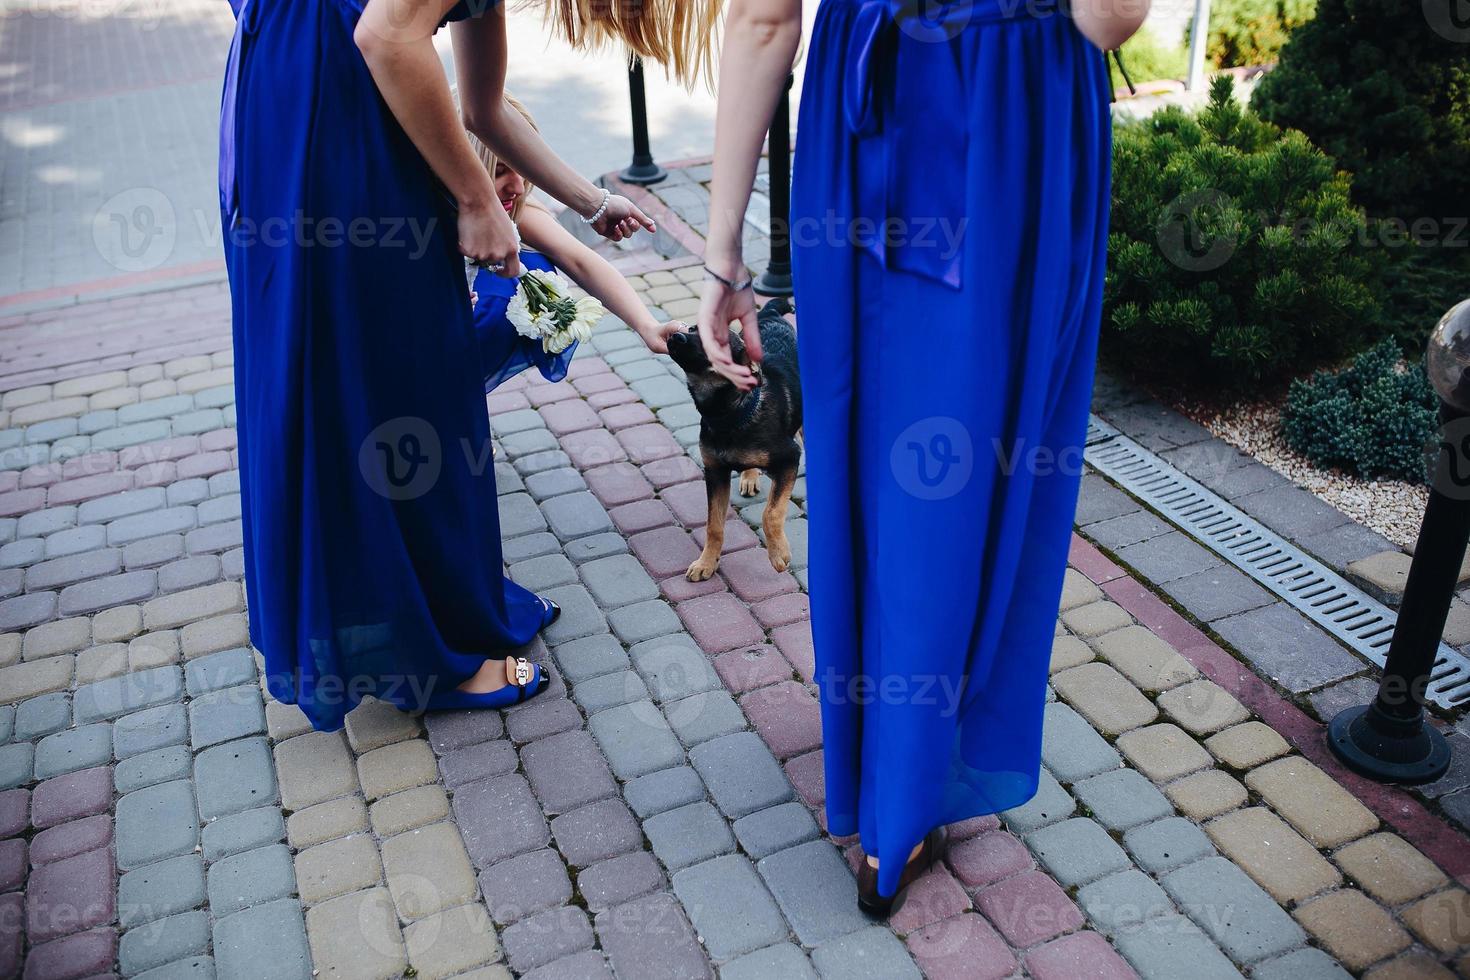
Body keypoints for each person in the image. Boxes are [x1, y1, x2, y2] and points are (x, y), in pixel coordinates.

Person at [696, 0, 1146, 914]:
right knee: (967, 467)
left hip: (866, 122)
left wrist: (722, 256)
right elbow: (1112, 18)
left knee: (877, 460)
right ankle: (903, 797)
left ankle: (878, 780)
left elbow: (762, 16)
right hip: (1009, 121)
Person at [219, 0, 717, 730]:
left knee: (422, 379)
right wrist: (477, 197)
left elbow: (483, 108)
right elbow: (386, 35)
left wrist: (592, 199)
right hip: (329, 118)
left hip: (353, 100)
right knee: (370, 387)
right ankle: (425, 658)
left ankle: (458, 604)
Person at [466, 95, 685, 393]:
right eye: (499, 171)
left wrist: (647, 326)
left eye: (522, 168)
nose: (518, 187)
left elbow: (579, 260)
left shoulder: (516, 212)